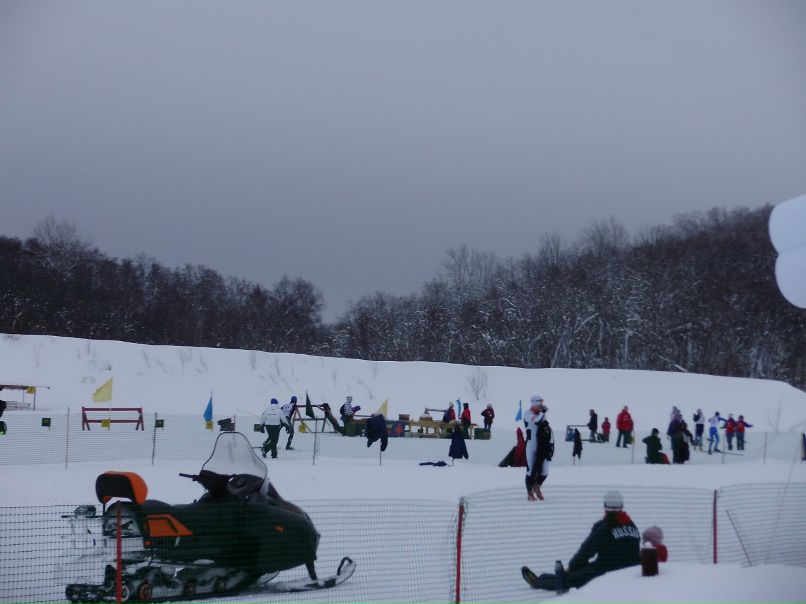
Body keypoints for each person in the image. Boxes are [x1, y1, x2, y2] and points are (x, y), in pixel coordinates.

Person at [523, 490, 640, 591]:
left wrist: (574, 566)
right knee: (579, 572)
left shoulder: (605, 527)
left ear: (605, 506)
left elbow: (587, 551)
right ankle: (544, 577)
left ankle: (538, 582)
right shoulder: (632, 525)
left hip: (606, 571)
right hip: (630, 572)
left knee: (570, 580)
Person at [524, 395, 553, 501]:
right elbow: (535, 420)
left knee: (545, 469)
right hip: (531, 445)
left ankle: (537, 486)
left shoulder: (541, 414)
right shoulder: (527, 413)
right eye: (539, 404)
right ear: (534, 404)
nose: (541, 406)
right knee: (531, 470)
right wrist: (543, 412)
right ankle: (529, 491)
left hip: (541, 445)